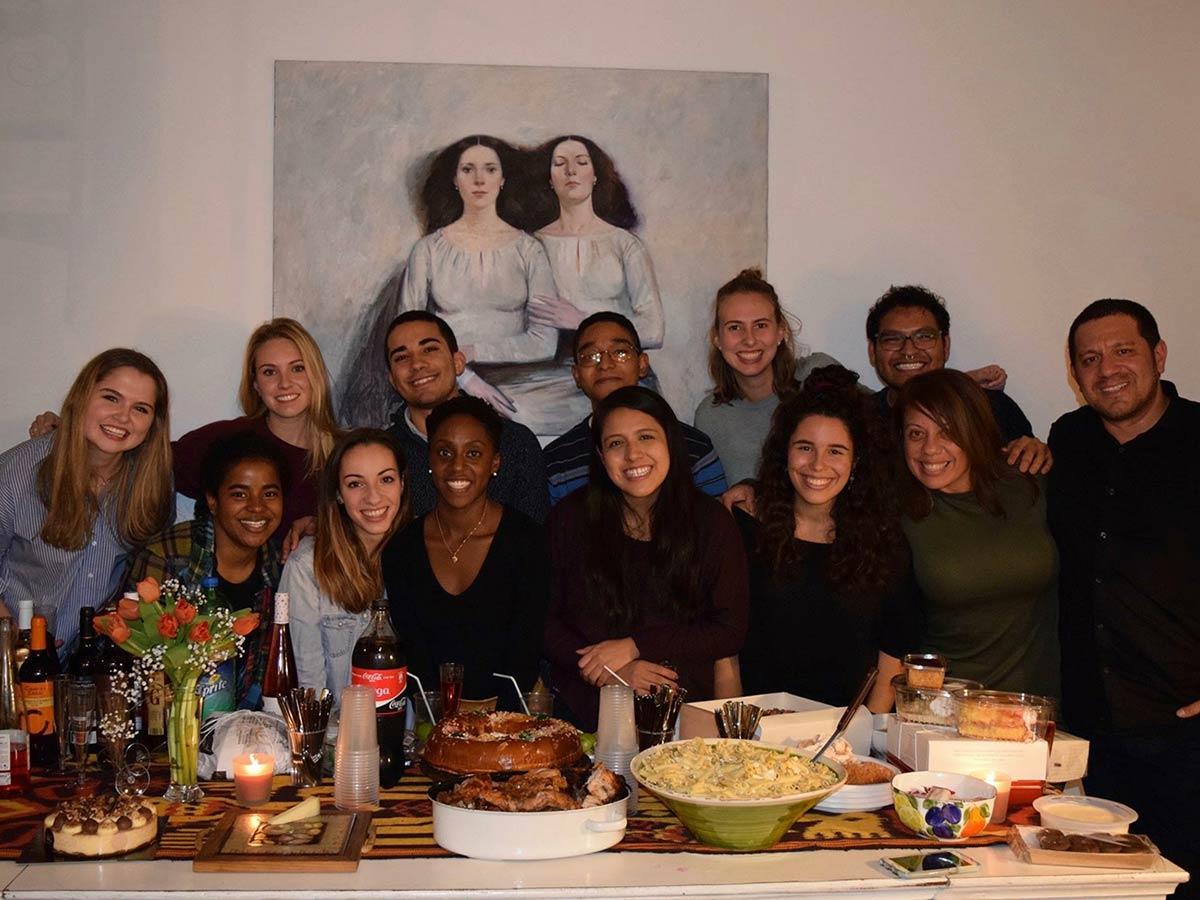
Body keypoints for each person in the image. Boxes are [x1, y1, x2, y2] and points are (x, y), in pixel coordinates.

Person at [1047, 299, 1200, 893]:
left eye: (1123, 351)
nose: (1107, 369)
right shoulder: (1068, 438)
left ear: (1159, 355)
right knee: (1109, 885)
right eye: (1089, 359)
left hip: (1184, 724)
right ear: (1075, 374)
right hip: (1093, 729)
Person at [544, 386, 748, 731]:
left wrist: (636, 647)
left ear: (670, 441)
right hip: (587, 718)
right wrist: (609, 672)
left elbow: (729, 629)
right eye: (616, 443)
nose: (633, 455)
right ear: (599, 454)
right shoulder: (569, 519)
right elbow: (543, 622)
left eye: (646, 437)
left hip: (686, 719)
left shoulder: (711, 522)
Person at [31, 317, 339, 540]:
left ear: (315, 373)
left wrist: (322, 527)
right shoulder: (228, 441)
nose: (285, 383)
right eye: (270, 372)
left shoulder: (344, 453)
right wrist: (70, 430)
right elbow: (140, 451)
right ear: (255, 384)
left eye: (297, 368)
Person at [737, 366, 918, 711]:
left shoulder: (884, 542)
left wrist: (869, 733)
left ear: (856, 461)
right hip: (757, 732)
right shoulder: (745, 529)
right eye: (805, 447)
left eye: (836, 451)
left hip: (845, 738)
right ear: (784, 454)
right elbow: (725, 642)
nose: (817, 465)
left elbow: (893, 652)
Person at [896, 369, 1059, 697]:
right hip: (942, 716)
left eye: (947, 431)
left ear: (975, 431)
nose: (930, 449)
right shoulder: (898, 515)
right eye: (916, 433)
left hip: (1038, 711)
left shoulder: (1030, 483)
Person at [1, 348, 173, 657]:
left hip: (89, 665)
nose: (123, 417)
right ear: (81, 398)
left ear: (152, 425)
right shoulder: (16, 472)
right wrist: (12, 639)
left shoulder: (153, 484)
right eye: (111, 398)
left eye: (141, 409)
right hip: (15, 655)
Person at [382, 396, 548, 707]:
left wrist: (493, 733)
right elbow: (416, 660)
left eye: (473, 453)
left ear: (495, 462)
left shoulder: (528, 543)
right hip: (429, 725)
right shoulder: (402, 550)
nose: (457, 466)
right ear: (429, 460)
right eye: (444, 452)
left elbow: (525, 656)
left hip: (511, 726)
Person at [400, 135, 561, 435]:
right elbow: (405, 338)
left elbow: (545, 340)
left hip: (525, 386)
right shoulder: (428, 250)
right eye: (467, 170)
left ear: (502, 180)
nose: (478, 179)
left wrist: (470, 351)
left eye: (489, 169)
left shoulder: (529, 250)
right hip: (446, 386)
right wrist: (465, 377)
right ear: (454, 180)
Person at [126, 431, 287, 708]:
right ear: (213, 501)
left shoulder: (281, 563)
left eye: (269, 493)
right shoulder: (167, 556)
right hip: (174, 726)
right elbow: (139, 663)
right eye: (239, 494)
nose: (257, 507)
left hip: (249, 726)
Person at [526, 134, 666, 429]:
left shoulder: (625, 244)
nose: (571, 171)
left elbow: (653, 329)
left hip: (620, 378)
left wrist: (581, 320)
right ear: (550, 179)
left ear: (595, 176)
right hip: (554, 377)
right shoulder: (532, 246)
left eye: (581, 162)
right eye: (560, 164)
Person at [282, 429, 410, 708]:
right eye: (355, 484)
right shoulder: (307, 566)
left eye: (386, 479)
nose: (373, 498)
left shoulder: (424, 556)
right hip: (336, 739)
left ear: (402, 483)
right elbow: (309, 689)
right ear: (338, 494)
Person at [383, 310, 549, 522]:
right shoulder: (385, 452)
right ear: (392, 379)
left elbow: (532, 539)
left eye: (429, 349)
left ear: (458, 362)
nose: (417, 364)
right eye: (402, 357)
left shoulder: (513, 441)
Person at [545, 312, 726, 505]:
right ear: (577, 375)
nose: (606, 364)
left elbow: (715, 527)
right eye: (591, 356)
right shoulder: (557, 461)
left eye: (620, 352)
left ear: (642, 364)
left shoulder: (695, 447)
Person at [865, 285, 1049, 472]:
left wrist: (1035, 452)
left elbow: (1026, 472)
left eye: (924, 337)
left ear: (946, 346)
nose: (909, 350)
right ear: (872, 351)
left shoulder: (993, 409)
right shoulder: (859, 418)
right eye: (892, 339)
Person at [695, 268, 841, 495]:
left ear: (780, 331)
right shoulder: (709, 415)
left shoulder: (818, 377)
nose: (750, 339)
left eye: (761, 325)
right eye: (735, 327)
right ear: (717, 338)